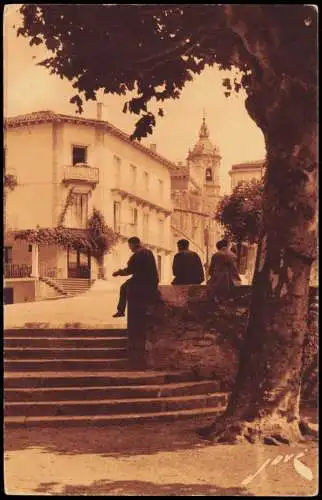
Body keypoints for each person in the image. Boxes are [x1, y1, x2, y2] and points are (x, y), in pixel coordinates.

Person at [112, 236, 159, 317]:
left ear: (133, 244)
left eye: (130, 245)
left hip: (141, 280)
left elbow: (130, 270)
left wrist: (118, 273)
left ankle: (121, 311)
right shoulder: (148, 251)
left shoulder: (137, 254)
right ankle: (149, 308)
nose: (130, 248)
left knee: (123, 287)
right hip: (153, 279)